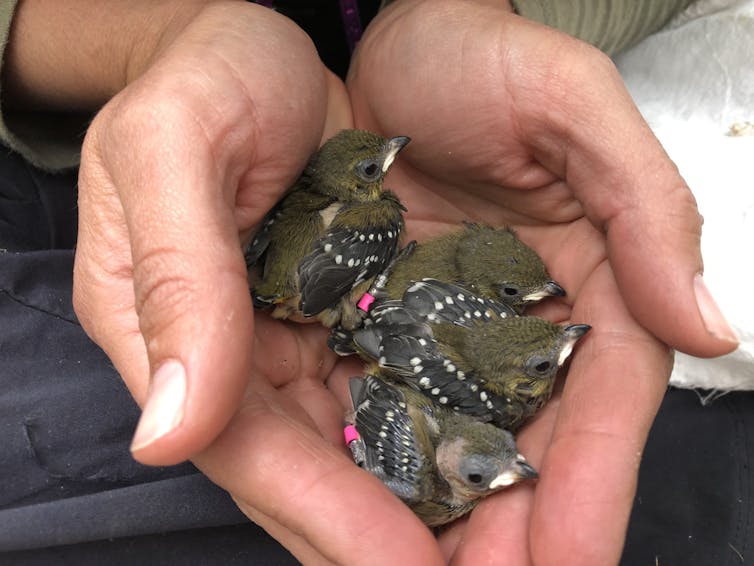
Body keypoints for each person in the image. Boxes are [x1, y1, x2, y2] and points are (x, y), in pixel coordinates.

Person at [0, 0, 739, 564]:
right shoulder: (381, 229)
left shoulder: (444, 324)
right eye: (370, 168)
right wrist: (159, 36)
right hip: (69, 184)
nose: (558, 322)